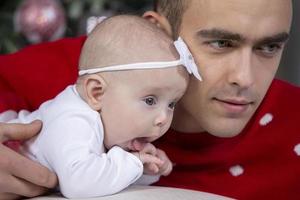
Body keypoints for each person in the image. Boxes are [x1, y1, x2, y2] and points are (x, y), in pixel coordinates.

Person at [0, 0, 299, 199]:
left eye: (269, 47)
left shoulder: (293, 122)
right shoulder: (101, 63)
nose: (245, 79)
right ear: (159, 32)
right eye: (221, 43)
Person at [1, 14, 203, 198]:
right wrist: (133, 162)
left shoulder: (107, 120)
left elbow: (103, 177)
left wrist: (144, 169)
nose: (163, 119)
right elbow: (79, 183)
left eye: (171, 104)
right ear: (96, 92)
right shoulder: (74, 120)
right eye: (150, 100)